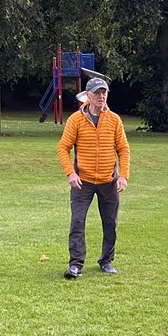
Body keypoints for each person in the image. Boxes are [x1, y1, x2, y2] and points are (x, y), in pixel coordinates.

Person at [57, 76, 130, 278]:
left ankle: (106, 261)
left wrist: (123, 176)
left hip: (109, 181)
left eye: (104, 92)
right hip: (83, 182)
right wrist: (70, 173)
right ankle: (76, 264)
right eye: (97, 93)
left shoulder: (114, 120)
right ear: (88, 96)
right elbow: (63, 147)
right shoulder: (76, 120)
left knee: (110, 223)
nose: (101, 96)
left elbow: (123, 149)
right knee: (77, 222)